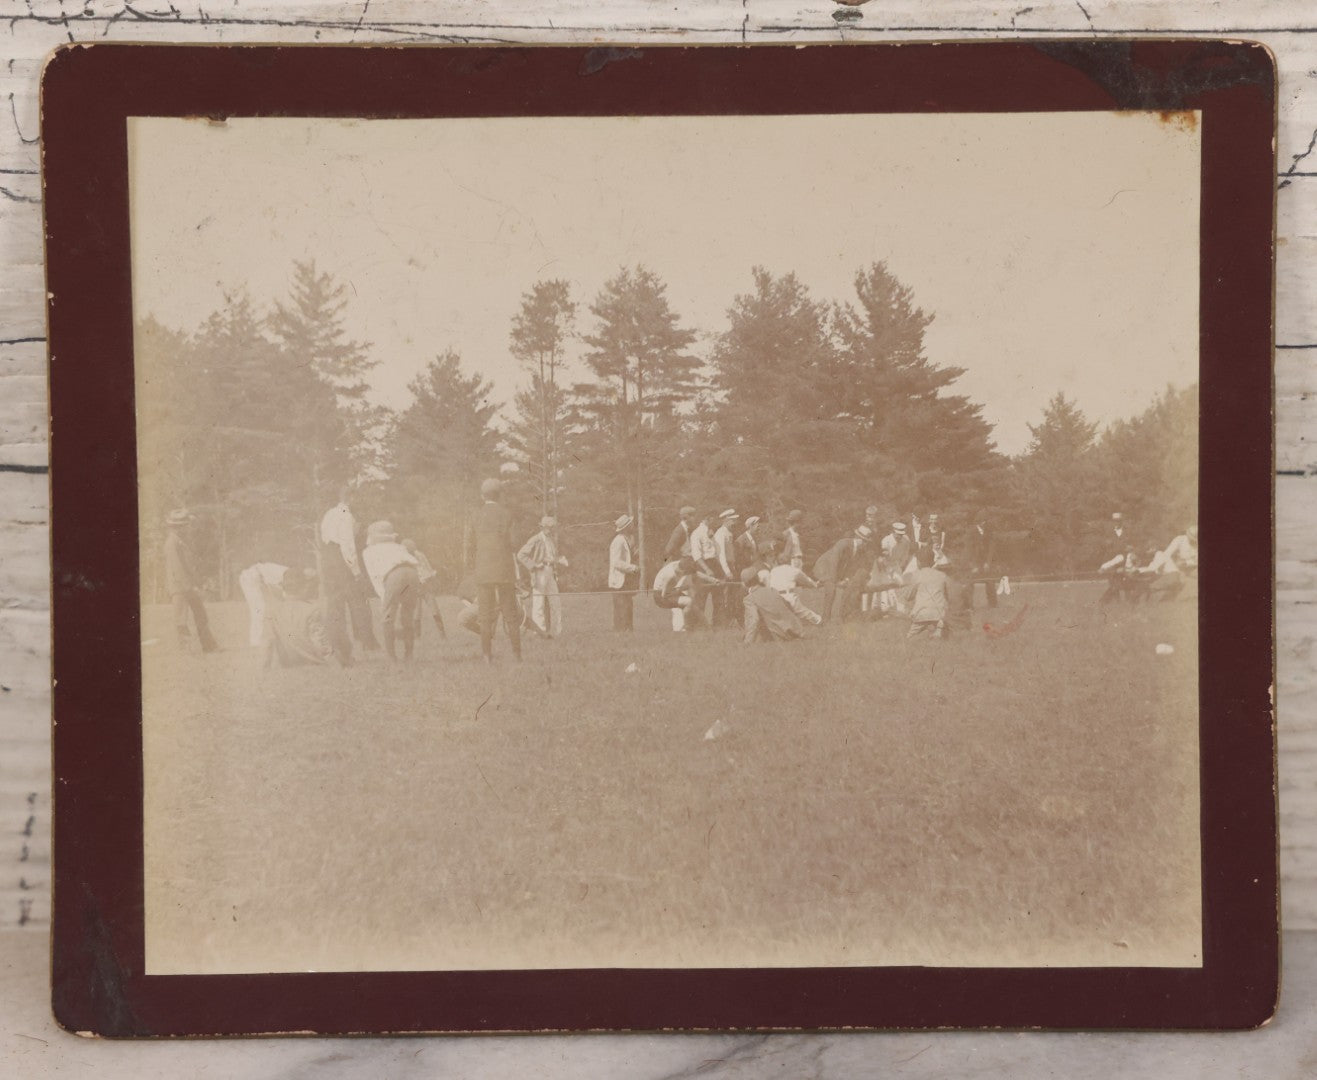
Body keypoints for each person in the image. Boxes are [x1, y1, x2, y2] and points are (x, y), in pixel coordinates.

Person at [473, 477, 522, 663]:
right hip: (504, 570)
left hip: (483, 570)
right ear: (500, 495)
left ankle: (487, 657)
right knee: (511, 614)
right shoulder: (507, 515)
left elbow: (471, 545)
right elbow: (515, 543)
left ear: (482, 496)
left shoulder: (476, 515)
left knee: (485, 616)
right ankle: (517, 656)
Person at [319, 486, 370, 666]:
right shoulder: (346, 516)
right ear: (351, 498)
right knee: (358, 604)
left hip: (329, 562)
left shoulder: (329, 514)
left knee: (335, 607)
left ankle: (337, 648)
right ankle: (363, 646)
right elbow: (347, 546)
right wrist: (356, 571)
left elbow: (326, 538)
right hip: (342, 562)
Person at [362, 520, 421, 662]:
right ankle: (409, 655)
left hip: (394, 575)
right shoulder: (399, 547)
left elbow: (375, 577)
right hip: (412, 572)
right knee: (407, 615)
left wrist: (384, 599)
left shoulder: (369, 551)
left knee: (387, 617)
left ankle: (391, 656)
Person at [163, 509, 220, 652]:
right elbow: (177, 568)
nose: (188, 527)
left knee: (201, 615)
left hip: (188, 585)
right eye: (186, 525)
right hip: (179, 586)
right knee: (181, 619)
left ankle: (209, 646)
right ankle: (186, 650)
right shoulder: (172, 543)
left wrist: (197, 583)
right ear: (178, 526)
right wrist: (189, 585)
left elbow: (188, 566)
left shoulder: (180, 541)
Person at [517, 515, 568, 638]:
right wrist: (534, 565)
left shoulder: (550, 540)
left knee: (555, 601)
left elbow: (551, 557)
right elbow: (521, 554)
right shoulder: (535, 539)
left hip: (550, 572)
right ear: (542, 527)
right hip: (539, 572)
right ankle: (540, 632)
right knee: (538, 603)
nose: (550, 530)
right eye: (548, 527)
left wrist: (559, 560)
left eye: (552, 528)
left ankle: (558, 632)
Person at [812, 524, 874, 623]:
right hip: (824, 568)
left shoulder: (860, 551)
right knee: (831, 590)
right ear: (858, 538)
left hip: (836, 570)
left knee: (850, 588)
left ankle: (844, 616)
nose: (865, 544)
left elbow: (853, 567)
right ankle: (825, 620)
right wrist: (834, 580)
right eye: (865, 541)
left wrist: (846, 579)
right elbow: (833, 561)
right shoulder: (843, 543)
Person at [652, 556, 718, 631]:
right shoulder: (670, 575)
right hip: (660, 597)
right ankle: (686, 627)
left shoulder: (680, 564)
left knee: (694, 604)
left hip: (669, 593)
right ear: (683, 571)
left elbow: (696, 573)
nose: (687, 575)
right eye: (687, 573)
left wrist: (713, 580)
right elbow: (664, 595)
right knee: (689, 601)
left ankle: (708, 627)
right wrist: (682, 589)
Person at [238, 560, 295, 648]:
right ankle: (255, 641)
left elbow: (279, 591)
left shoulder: (285, 573)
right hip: (251, 577)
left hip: (254, 577)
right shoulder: (282, 574)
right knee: (258, 610)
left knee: (259, 609)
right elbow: (276, 592)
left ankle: (256, 640)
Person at [742, 567, 805, 644]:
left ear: (745, 583)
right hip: (797, 631)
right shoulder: (773, 590)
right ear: (758, 579)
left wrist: (747, 642)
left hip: (781, 636)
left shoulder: (749, 599)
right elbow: (789, 607)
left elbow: (754, 620)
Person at [901, 546, 951, 639]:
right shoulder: (942, 575)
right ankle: (936, 632)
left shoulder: (916, 575)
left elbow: (908, 596)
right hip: (939, 615)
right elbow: (948, 596)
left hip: (921, 614)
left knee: (909, 639)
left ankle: (928, 634)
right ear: (933, 562)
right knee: (943, 636)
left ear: (918, 562)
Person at [402, 538, 446, 639]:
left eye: (412, 550)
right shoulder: (403, 559)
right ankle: (417, 636)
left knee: (435, 609)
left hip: (426, 586)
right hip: (414, 588)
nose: (411, 553)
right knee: (416, 613)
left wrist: (430, 578)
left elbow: (428, 568)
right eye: (409, 551)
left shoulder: (420, 555)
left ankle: (442, 634)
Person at [767, 554, 823, 626]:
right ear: (789, 561)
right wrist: (816, 585)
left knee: (781, 617)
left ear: (777, 562)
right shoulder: (794, 570)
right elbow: (807, 581)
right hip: (789, 597)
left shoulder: (773, 571)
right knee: (805, 613)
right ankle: (819, 621)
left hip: (775, 597)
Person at [608, 515, 639, 631]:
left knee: (628, 605)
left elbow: (627, 557)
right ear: (626, 527)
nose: (633, 526)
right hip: (619, 580)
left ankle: (628, 630)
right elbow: (616, 563)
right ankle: (620, 631)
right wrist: (633, 568)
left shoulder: (628, 538)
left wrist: (635, 554)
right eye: (631, 524)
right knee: (621, 607)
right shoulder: (618, 541)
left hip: (626, 579)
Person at [689, 510, 720, 626]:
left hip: (714, 564)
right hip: (704, 566)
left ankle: (718, 625)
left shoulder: (711, 532)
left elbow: (715, 552)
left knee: (718, 596)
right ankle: (698, 626)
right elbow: (697, 556)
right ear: (707, 518)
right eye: (713, 518)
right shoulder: (697, 533)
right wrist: (706, 569)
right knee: (701, 597)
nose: (714, 521)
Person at [713, 509, 741, 627]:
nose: (734, 523)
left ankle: (730, 620)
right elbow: (721, 555)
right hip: (723, 568)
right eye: (732, 520)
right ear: (726, 520)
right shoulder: (720, 533)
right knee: (724, 595)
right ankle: (722, 622)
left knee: (732, 595)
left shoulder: (729, 533)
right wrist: (727, 571)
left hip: (730, 565)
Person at [966, 513, 998, 609]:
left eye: (985, 521)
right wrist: (973, 565)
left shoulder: (989, 532)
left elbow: (991, 548)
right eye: (983, 521)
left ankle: (993, 604)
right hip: (974, 561)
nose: (985, 523)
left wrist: (988, 562)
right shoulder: (971, 532)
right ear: (979, 522)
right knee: (970, 583)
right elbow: (969, 549)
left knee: (990, 582)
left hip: (986, 561)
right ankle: (969, 605)